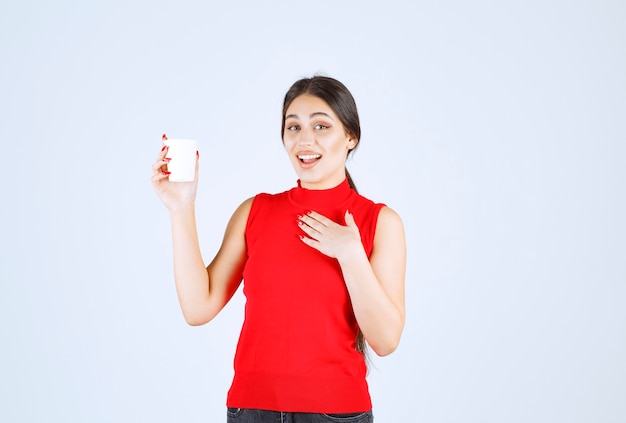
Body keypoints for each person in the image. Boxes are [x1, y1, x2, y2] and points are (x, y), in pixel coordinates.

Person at [152, 76, 406, 422]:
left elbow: (386, 340)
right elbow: (198, 308)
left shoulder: (379, 221)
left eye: (321, 126)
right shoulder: (255, 212)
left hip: (336, 413)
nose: (305, 140)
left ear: (350, 137)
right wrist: (181, 208)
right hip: (251, 410)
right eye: (293, 127)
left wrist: (350, 253)